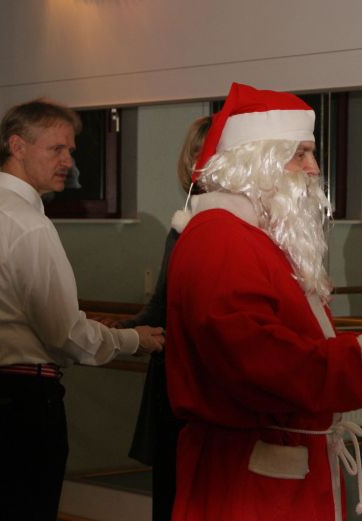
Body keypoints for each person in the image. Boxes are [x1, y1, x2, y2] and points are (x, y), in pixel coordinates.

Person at [164, 83, 362, 521]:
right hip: (247, 482)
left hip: (273, 470)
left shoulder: (254, 239)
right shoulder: (220, 240)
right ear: (256, 160)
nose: (314, 168)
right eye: (300, 154)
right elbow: (259, 364)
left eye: (312, 153)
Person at [0, 98, 164, 521]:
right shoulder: (28, 225)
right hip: (21, 402)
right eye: (57, 149)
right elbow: (63, 335)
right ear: (17, 146)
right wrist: (132, 340)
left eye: (71, 150)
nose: (69, 161)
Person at [103, 116, 211, 521]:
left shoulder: (225, 226)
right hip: (177, 382)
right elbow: (162, 305)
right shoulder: (184, 224)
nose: (200, 164)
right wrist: (115, 332)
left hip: (206, 388)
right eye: (197, 154)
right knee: (173, 495)